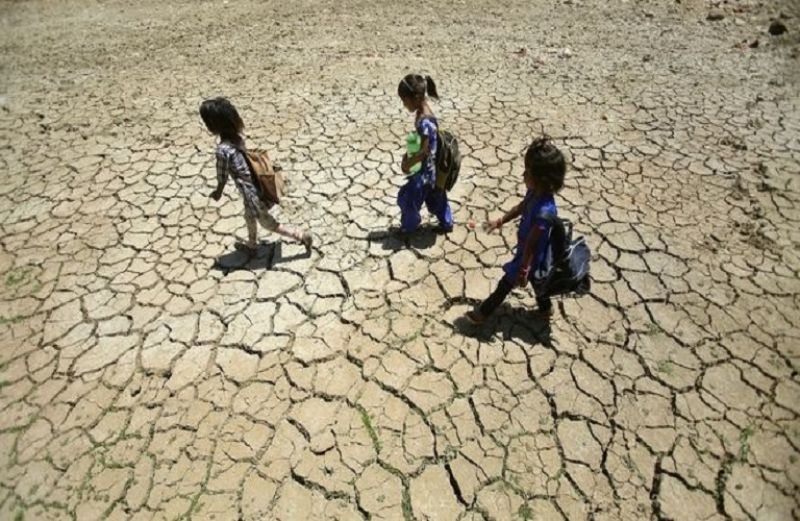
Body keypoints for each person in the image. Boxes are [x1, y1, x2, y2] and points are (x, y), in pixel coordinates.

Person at [466, 137, 566, 324]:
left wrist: (524, 268)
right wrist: (500, 221)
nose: (522, 175)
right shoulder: (535, 193)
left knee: (506, 283)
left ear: (540, 179)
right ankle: (545, 308)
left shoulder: (545, 211)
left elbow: (533, 243)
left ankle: (483, 313)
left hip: (531, 256)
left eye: (527, 172)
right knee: (537, 282)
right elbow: (521, 207)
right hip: (527, 252)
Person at [200, 97, 312, 257]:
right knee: (248, 216)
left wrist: (218, 191)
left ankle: (301, 236)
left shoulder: (223, 150)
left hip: (251, 193)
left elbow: (222, 175)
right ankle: (252, 246)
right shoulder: (236, 139)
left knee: (268, 223)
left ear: (214, 124)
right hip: (256, 186)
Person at [397, 74, 453, 233]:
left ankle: (409, 227)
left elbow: (423, 152)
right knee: (437, 198)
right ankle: (447, 222)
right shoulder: (425, 108)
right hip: (434, 170)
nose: (404, 104)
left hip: (425, 174)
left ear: (415, 98)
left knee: (407, 199)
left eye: (404, 100)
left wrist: (407, 164)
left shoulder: (424, 121)